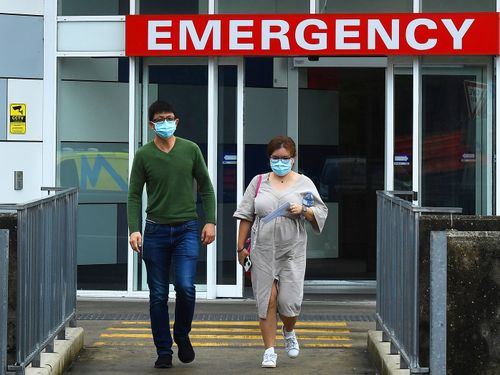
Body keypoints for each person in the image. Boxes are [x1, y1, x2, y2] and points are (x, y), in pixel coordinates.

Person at [127, 100, 216, 369]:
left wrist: (210, 221)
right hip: (154, 230)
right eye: (160, 119)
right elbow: (133, 195)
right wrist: (134, 229)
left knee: (186, 288)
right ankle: (164, 350)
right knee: (157, 295)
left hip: (187, 229)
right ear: (151, 124)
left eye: (169, 118)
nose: (165, 122)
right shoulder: (143, 155)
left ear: (176, 121)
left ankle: (182, 334)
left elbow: (207, 187)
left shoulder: (190, 149)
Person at [233, 135, 328, 368]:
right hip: (262, 249)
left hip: (292, 249)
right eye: (276, 158)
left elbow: (320, 211)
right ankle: (269, 350)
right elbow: (246, 215)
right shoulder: (258, 182)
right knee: (267, 300)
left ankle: (289, 329)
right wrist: (240, 247)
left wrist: (304, 210)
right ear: (269, 158)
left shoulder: (304, 183)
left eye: (285, 158)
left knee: (289, 302)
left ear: (293, 159)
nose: (280, 162)